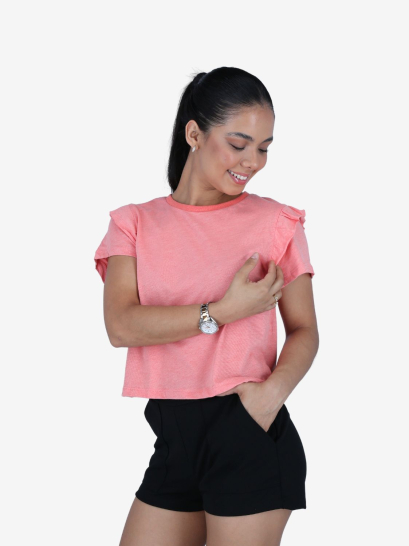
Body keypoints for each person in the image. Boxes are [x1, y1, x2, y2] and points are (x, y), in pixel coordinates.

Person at [94, 66, 319, 546]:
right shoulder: (133, 223)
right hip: (173, 438)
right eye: (239, 144)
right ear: (194, 134)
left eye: (264, 148)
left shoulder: (276, 222)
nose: (252, 162)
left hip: (248, 430)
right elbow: (121, 325)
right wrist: (219, 311)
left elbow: (304, 330)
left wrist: (270, 397)